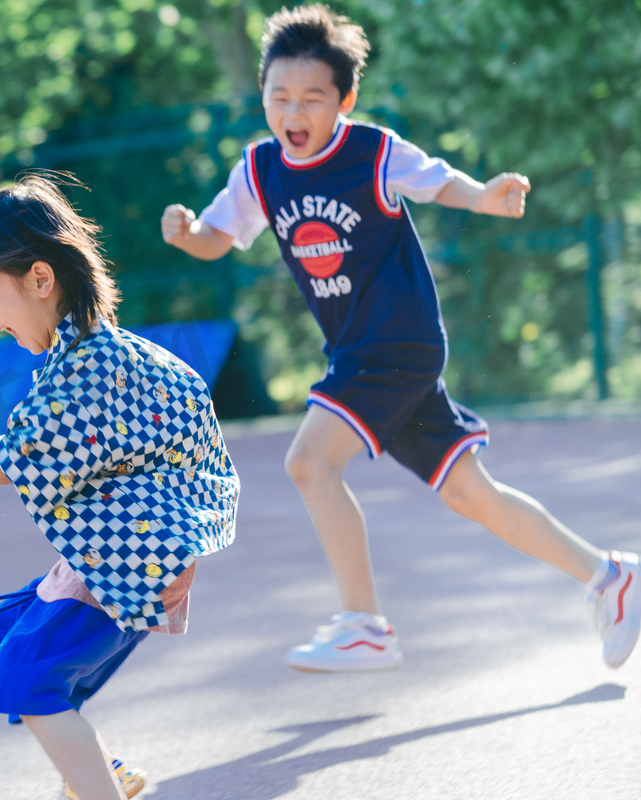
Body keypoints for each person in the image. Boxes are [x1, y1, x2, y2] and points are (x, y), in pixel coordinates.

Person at [161, 3, 639, 673]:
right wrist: (187, 236)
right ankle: (612, 576)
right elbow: (220, 238)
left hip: (396, 341)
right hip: (360, 349)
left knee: (309, 463)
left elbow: (438, 179)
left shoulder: (372, 151)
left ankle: (364, 626)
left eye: (312, 98)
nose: (293, 111)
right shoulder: (260, 170)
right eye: (279, 96)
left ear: (344, 100)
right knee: (469, 493)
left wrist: (484, 197)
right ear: (263, 95)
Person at [0, 174, 239, 800]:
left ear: (38, 279)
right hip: (120, 551)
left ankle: (94, 787)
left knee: (30, 680)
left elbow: (8, 460)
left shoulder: (87, 368)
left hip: (132, 559)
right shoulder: (89, 352)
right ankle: (97, 771)